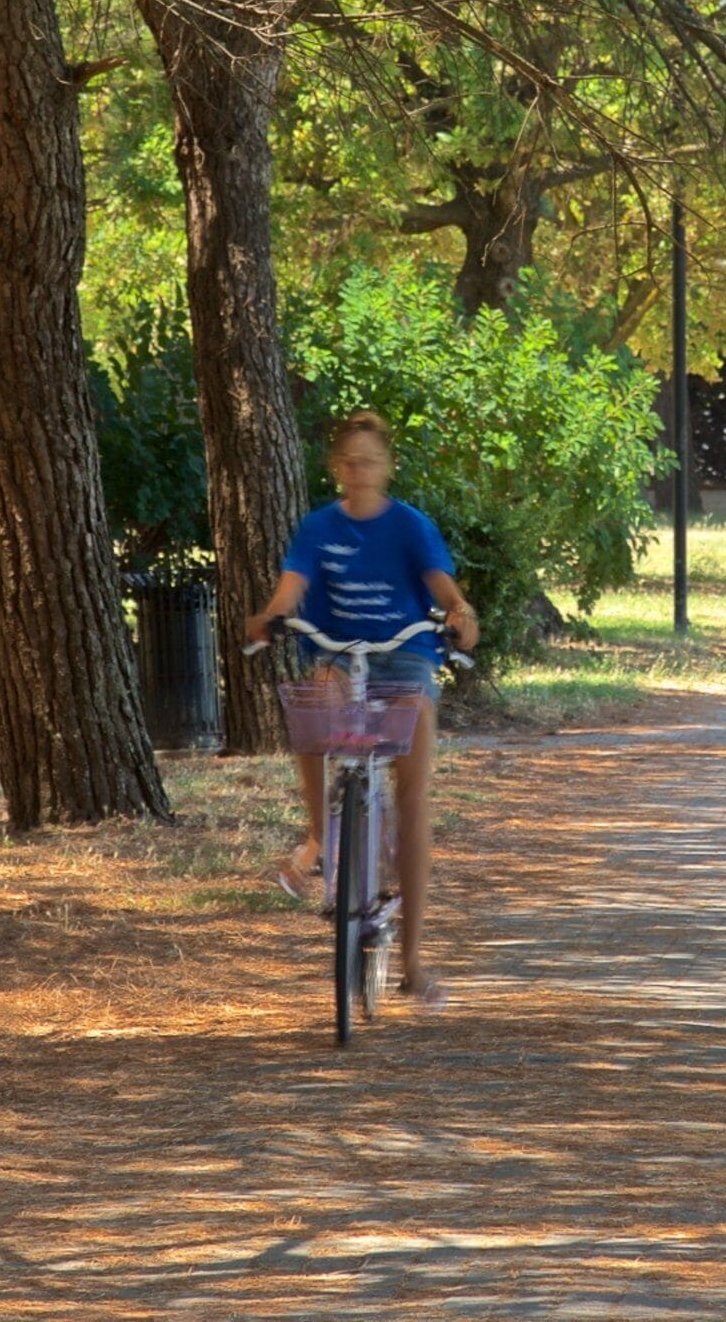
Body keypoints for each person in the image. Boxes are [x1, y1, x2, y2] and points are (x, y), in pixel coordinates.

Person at [245, 410, 479, 1005]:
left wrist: (461, 618)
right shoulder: (317, 528)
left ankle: (414, 960)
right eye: (350, 461)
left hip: (403, 658)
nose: (360, 470)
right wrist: (273, 615)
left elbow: (445, 591)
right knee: (311, 707)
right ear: (336, 468)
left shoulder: (410, 526)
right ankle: (324, 835)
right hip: (339, 655)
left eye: (370, 460)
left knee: (412, 796)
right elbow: (291, 587)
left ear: (387, 466)